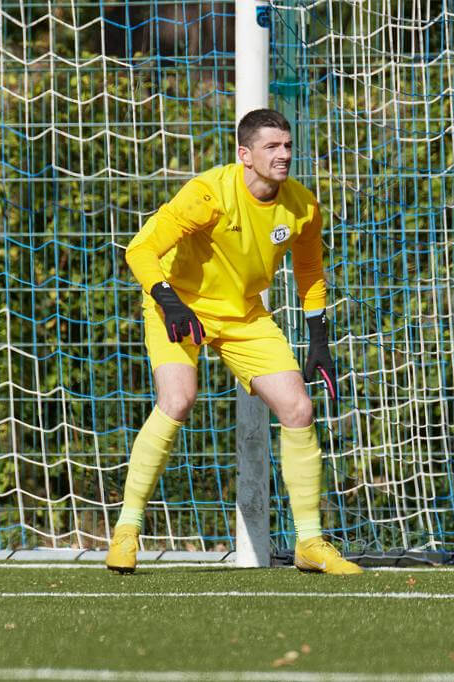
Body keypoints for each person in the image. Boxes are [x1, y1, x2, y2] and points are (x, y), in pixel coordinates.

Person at [105, 108, 362, 576]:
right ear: (244, 154)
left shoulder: (302, 205)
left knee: (299, 409)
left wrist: (318, 339)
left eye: (287, 145)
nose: (284, 154)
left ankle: (309, 543)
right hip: (179, 306)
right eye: (272, 147)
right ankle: (126, 529)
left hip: (245, 314)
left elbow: (309, 273)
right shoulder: (208, 194)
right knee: (179, 398)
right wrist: (168, 299)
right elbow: (139, 248)